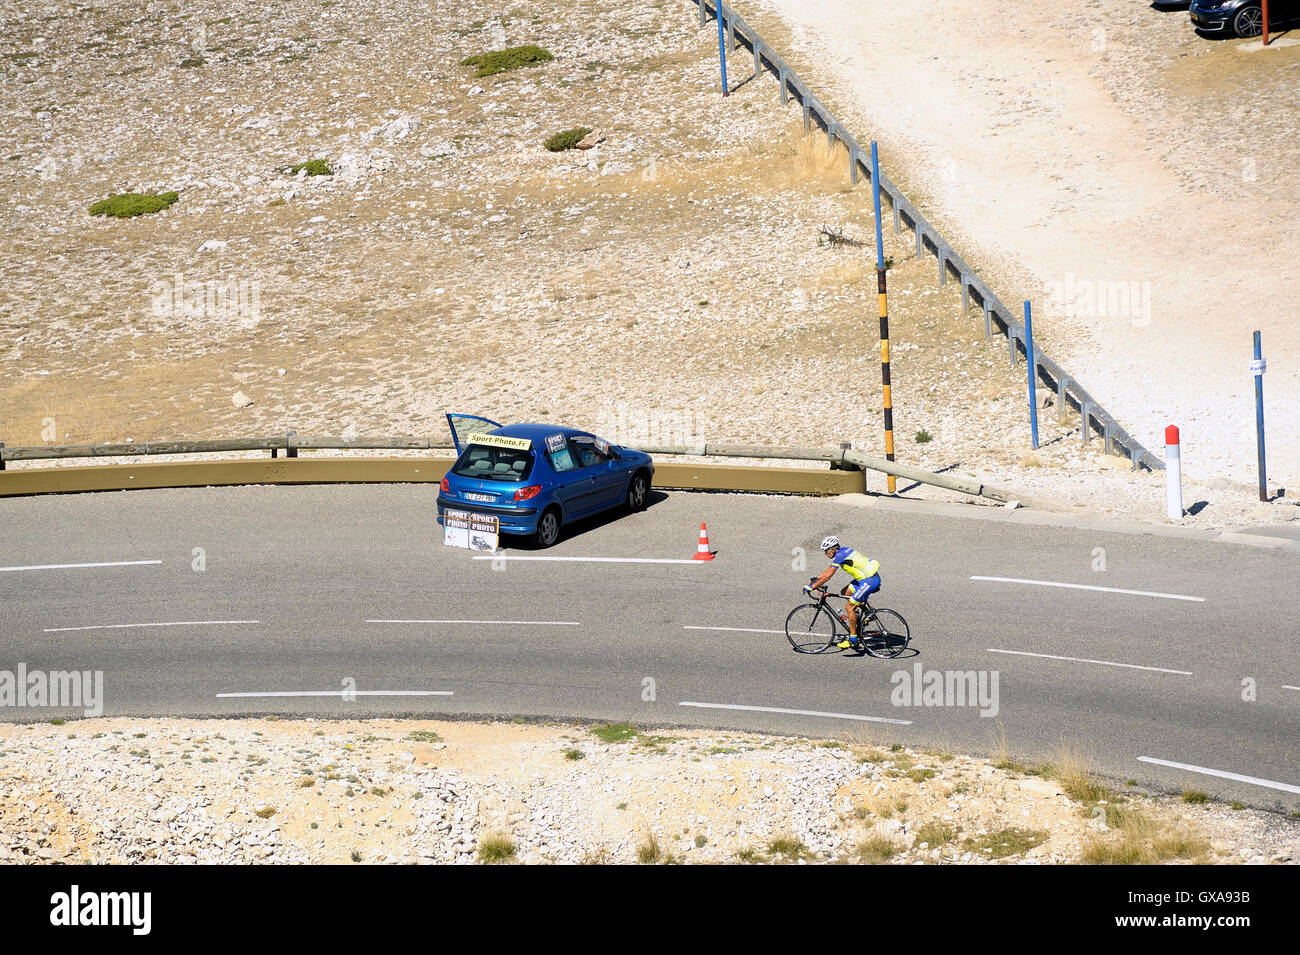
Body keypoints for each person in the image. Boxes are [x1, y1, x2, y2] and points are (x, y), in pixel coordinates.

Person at [804, 535, 881, 649]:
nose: (826, 554)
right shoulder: (842, 551)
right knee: (846, 592)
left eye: (826, 551)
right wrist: (816, 579)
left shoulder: (840, 555)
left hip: (869, 581)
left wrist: (812, 586)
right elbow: (828, 571)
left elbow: (828, 576)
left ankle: (853, 639)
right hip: (866, 579)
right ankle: (868, 612)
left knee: (849, 607)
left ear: (833, 548)